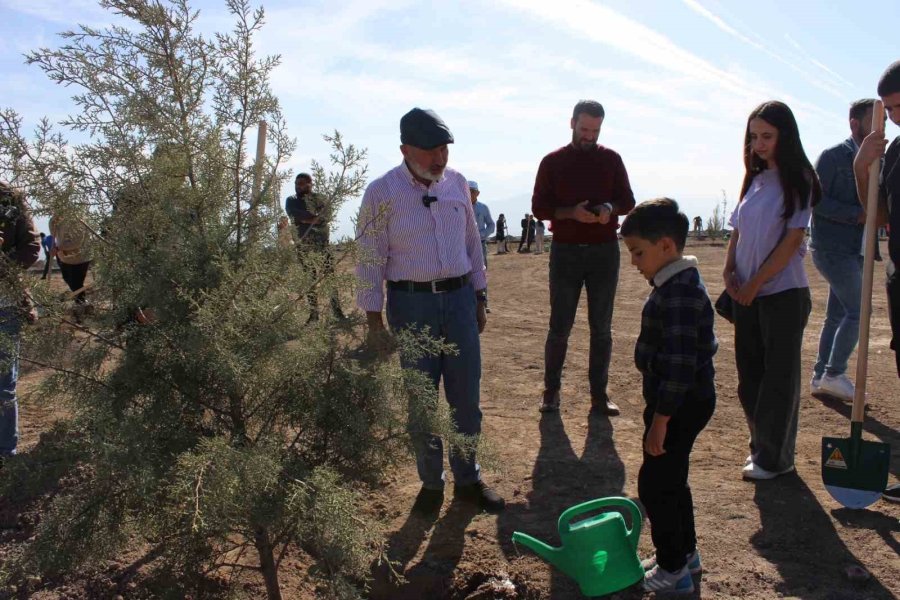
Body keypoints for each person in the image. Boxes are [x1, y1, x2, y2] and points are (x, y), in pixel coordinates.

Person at [355, 107, 504, 514]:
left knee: (466, 399)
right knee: (422, 402)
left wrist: (479, 298)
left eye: (444, 149)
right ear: (405, 149)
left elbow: (474, 246)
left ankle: (469, 480)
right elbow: (369, 260)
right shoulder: (380, 194)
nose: (439, 159)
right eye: (430, 151)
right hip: (411, 304)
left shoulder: (456, 184)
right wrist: (373, 321)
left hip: (458, 302)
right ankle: (431, 485)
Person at [621, 198, 716, 595]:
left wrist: (660, 420)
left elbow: (678, 365)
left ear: (665, 246)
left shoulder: (679, 292)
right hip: (680, 401)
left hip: (676, 404)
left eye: (638, 253)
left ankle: (673, 570)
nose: (634, 263)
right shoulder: (677, 283)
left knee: (656, 485)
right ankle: (683, 554)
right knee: (673, 479)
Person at [723, 101, 820, 480]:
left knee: (778, 380)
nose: (758, 144)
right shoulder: (755, 178)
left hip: (782, 295)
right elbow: (737, 230)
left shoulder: (801, 180)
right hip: (745, 295)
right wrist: (730, 271)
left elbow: (791, 240)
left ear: (785, 136)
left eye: (767, 136)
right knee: (750, 378)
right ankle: (760, 447)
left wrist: (755, 284)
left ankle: (775, 459)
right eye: (753, 137)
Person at [532, 99, 636, 415]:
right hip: (565, 253)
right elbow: (539, 208)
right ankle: (551, 393)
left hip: (604, 252)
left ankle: (599, 397)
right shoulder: (552, 162)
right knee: (559, 326)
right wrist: (571, 214)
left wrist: (609, 209)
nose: (589, 135)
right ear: (572, 123)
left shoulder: (612, 160)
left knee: (601, 328)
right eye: (584, 128)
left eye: (595, 130)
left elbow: (627, 201)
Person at [853, 60, 900, 503]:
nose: (898, 116)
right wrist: (862, 168)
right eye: (890, 109)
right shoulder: (897, 153)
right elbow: (879, 216)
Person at [809, 99, 877, 402]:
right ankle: (835, 373)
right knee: (859, 310)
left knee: (837, 315)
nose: (880, 129)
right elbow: (816, 200)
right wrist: (858, 214)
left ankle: (820, 376)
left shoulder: (879, 158)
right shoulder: (834, 157)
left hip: (857, 250)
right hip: (833, 248)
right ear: (854, 124)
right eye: (872, 122)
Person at [0, 182, 41, 461]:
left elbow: (31, 248)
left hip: (5, 304)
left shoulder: (10, 197)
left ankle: (6, 454)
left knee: (3, 383)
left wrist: (3, 261)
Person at [285, 172, 344, 322]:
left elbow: (326, 216)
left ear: (310, 184)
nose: (299, 186)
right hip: (303, 246)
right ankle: (314, 314)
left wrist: (310, 219)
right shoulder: (291, 200)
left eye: (302, 183)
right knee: (310, 280)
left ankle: (337, 312)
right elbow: (295, 216)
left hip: (322, 244)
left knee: (330, 277)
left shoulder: (320, 198)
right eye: (297, 184)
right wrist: (313, 218)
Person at [49, 215, 92, 306]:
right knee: (67, 278)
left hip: (79, 258)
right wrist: (52, 222)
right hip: (63, 257)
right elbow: (53, 234)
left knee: (76, 283)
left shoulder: (77, 220)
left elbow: (77, 241)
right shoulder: (55, 220)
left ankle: (81, 304)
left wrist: (58, 248)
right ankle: (80, 302)